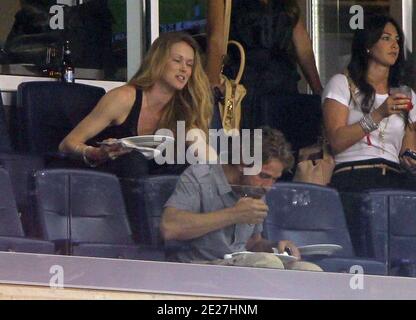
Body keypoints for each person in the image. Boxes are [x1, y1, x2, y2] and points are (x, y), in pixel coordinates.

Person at [161, 127, 322, 271]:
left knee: (310, 270)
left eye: (274, 179)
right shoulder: (201, 176)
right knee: (268, 264)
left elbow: (252, 243)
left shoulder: (255, 188)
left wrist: (276, 247)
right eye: (264, 176)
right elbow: (170, 227)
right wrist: (234, 214)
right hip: (199, 266)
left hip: (238, 263)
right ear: (241, 163)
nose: (268, 186)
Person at [59, 32, 217, 177]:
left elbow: (202, 153)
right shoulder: (123, 98)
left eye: (189, 64)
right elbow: (67, 144)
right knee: (134, 160)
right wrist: (95, 153)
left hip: (150, 185)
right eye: (177, 60)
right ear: (158, 61)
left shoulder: (183, 108)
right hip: (108, 177)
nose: (184, 69)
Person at [323, 14, 416, 192]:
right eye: (386, 38)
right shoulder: (342, 83)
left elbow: (408, 149)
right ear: (368, 45)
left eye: (397, 39)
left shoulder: (404, 93)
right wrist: (378, 114)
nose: (394, 45)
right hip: (353, 173)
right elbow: (336, 141)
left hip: (392, 176)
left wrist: (411, 159)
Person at [206, 0, 323, 129]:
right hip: (244, 86)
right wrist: (212, 85)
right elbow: (216, 40)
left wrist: (319, 91)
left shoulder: (287, 4)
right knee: (247, 141)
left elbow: (304, 47)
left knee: (283, 142)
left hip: (283, 86)